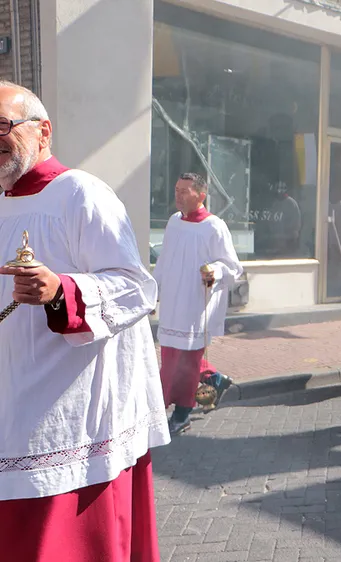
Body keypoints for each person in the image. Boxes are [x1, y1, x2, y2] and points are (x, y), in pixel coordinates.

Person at [0, 81, 168, 560]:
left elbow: (136, 287)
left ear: (43, 131)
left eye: (2, 126)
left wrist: (61, 291)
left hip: (61, 411)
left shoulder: (81, 194)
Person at [155, 172, 243, 434]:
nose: (178, 195)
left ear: (201, 195)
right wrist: (154, 290)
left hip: (195, 306)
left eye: (185, 191)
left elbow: (232, 266)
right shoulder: (174, 222)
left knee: (186, 364)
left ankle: (181, 415)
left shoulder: (214, 226)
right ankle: (214, 379)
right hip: (172, 304)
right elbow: (164, 259)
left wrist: (214, 271)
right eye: (176, 189)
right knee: (171, 360)